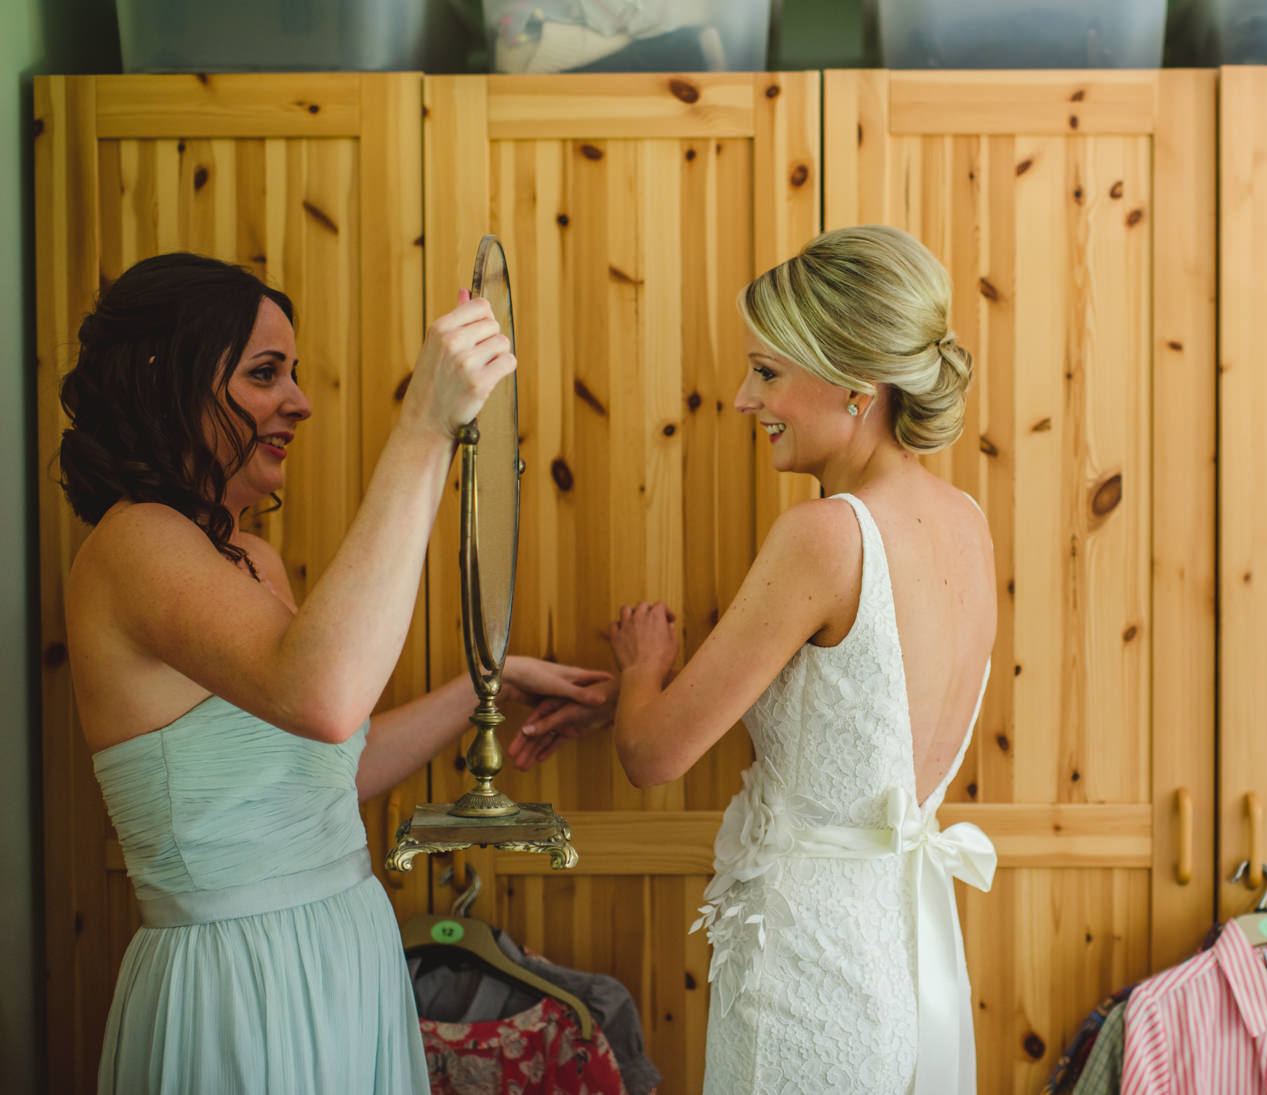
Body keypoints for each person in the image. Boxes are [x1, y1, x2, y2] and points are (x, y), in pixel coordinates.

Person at [59, 252, 611, 1095]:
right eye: (264, 373)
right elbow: (322, 694)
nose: (299, 402)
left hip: (344, 949)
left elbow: (324, 770)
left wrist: (487, 685)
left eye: (294, 373)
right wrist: (424, 425)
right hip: (239, 980)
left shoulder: (250, 559)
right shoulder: (134, 542)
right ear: (163, 377)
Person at [510, 225, 1000, 1094]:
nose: (743, 398)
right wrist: (632, 694)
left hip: (808, 971)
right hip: (903, 954)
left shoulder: (823, 535)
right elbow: (853, 711)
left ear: (856, 384)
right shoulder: (963, 520)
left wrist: (646, 663)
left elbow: (651, 754)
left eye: (767, 371)